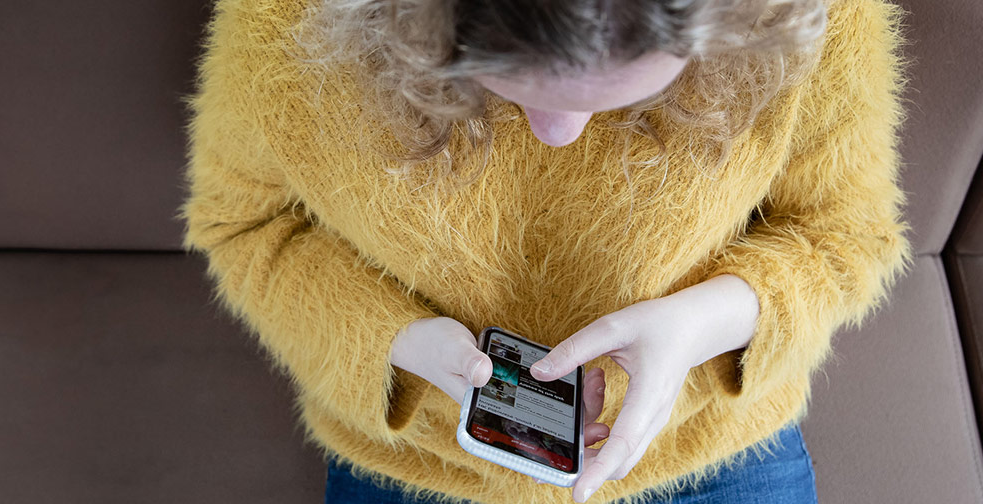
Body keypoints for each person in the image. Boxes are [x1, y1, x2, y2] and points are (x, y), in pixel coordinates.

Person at [178, 0, 910, 502]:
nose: (558, 132)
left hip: (707, 445)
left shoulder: (807, 15)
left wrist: (706, 323)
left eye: (618, 92)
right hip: (422, 459)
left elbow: (845, 232)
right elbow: (247, 227)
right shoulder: (288, 19)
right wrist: (393, 342)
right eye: (506, 79)